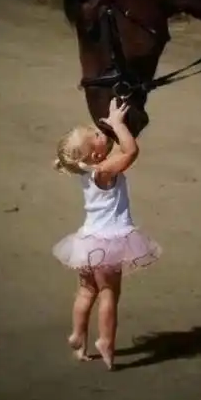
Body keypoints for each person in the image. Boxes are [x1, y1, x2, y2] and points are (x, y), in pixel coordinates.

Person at [52, 99, 161, 370]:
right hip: (108, 244)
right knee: (109, 293)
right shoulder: (104, 171)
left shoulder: (89, 171)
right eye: (97, 136)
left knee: (86, 291)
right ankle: (105, 341)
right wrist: (117, 124)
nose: (102, 133)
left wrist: (113, 121)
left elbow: (120, 151)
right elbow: (131, 151)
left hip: (87, 243)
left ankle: (78, 335)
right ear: (96, 156)